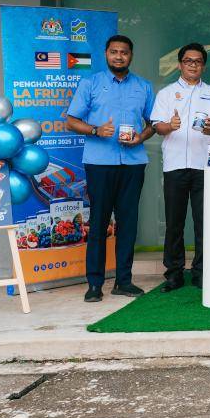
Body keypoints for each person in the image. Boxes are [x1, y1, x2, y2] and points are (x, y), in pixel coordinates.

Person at [65, 34, 155, 302]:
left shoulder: (144, 86)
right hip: (99, 161)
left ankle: (124, 282)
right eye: (114, 51)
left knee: (128, 223)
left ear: (131, 55)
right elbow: (71, 120)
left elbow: (154, 123)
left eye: (124, 52)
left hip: (133, 162)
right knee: (99, 223)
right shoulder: (90, 83)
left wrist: (143, 136)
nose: (119, 56)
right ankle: (94, 284)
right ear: (106, 54)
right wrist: (95, 129)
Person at [150, 43, 210, 292]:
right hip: (175, 164)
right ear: (180, 64)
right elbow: (156, 126)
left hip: (205, 165)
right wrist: (170, 125)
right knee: (174, 222)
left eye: (197, 61)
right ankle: (174, 273)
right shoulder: (166, 93)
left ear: (203, 66)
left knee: (203, 221)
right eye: (188, 61)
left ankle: (201, 271)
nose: (193, 65)